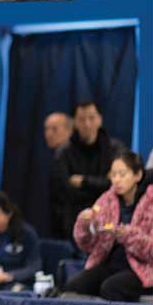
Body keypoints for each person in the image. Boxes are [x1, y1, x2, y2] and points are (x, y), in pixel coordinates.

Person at [64, 151, 153, 302]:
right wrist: (85, 226)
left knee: (111, 288)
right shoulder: (106, 200)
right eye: (113, 175)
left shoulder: (151, 202)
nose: (116, 180)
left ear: (137, 175)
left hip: (142, 269)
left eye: (122, 174)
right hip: (109, 264)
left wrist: (128, 236)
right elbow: (86, 246)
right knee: (74, 287)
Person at [50, 102, 125, 239]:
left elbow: (119, 185)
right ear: (74, 123)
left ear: (100, 119)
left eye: (91, 118)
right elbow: (66, 192)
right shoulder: (64, 153)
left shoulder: (115, 149)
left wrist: (84, 181)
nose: (87, 124)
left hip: (110, 220)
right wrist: (103, 183)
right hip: (75, 222)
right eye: (82, 119)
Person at [0, 191, 42, 291]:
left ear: (9, 213)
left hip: (15, 285)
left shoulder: (26, 234)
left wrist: (8, 276)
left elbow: (34, 266)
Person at [44, 112, 73, 239]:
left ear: (69, 131)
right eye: (46, 129)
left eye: (54, 129)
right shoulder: (58, 155)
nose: (49, 134)